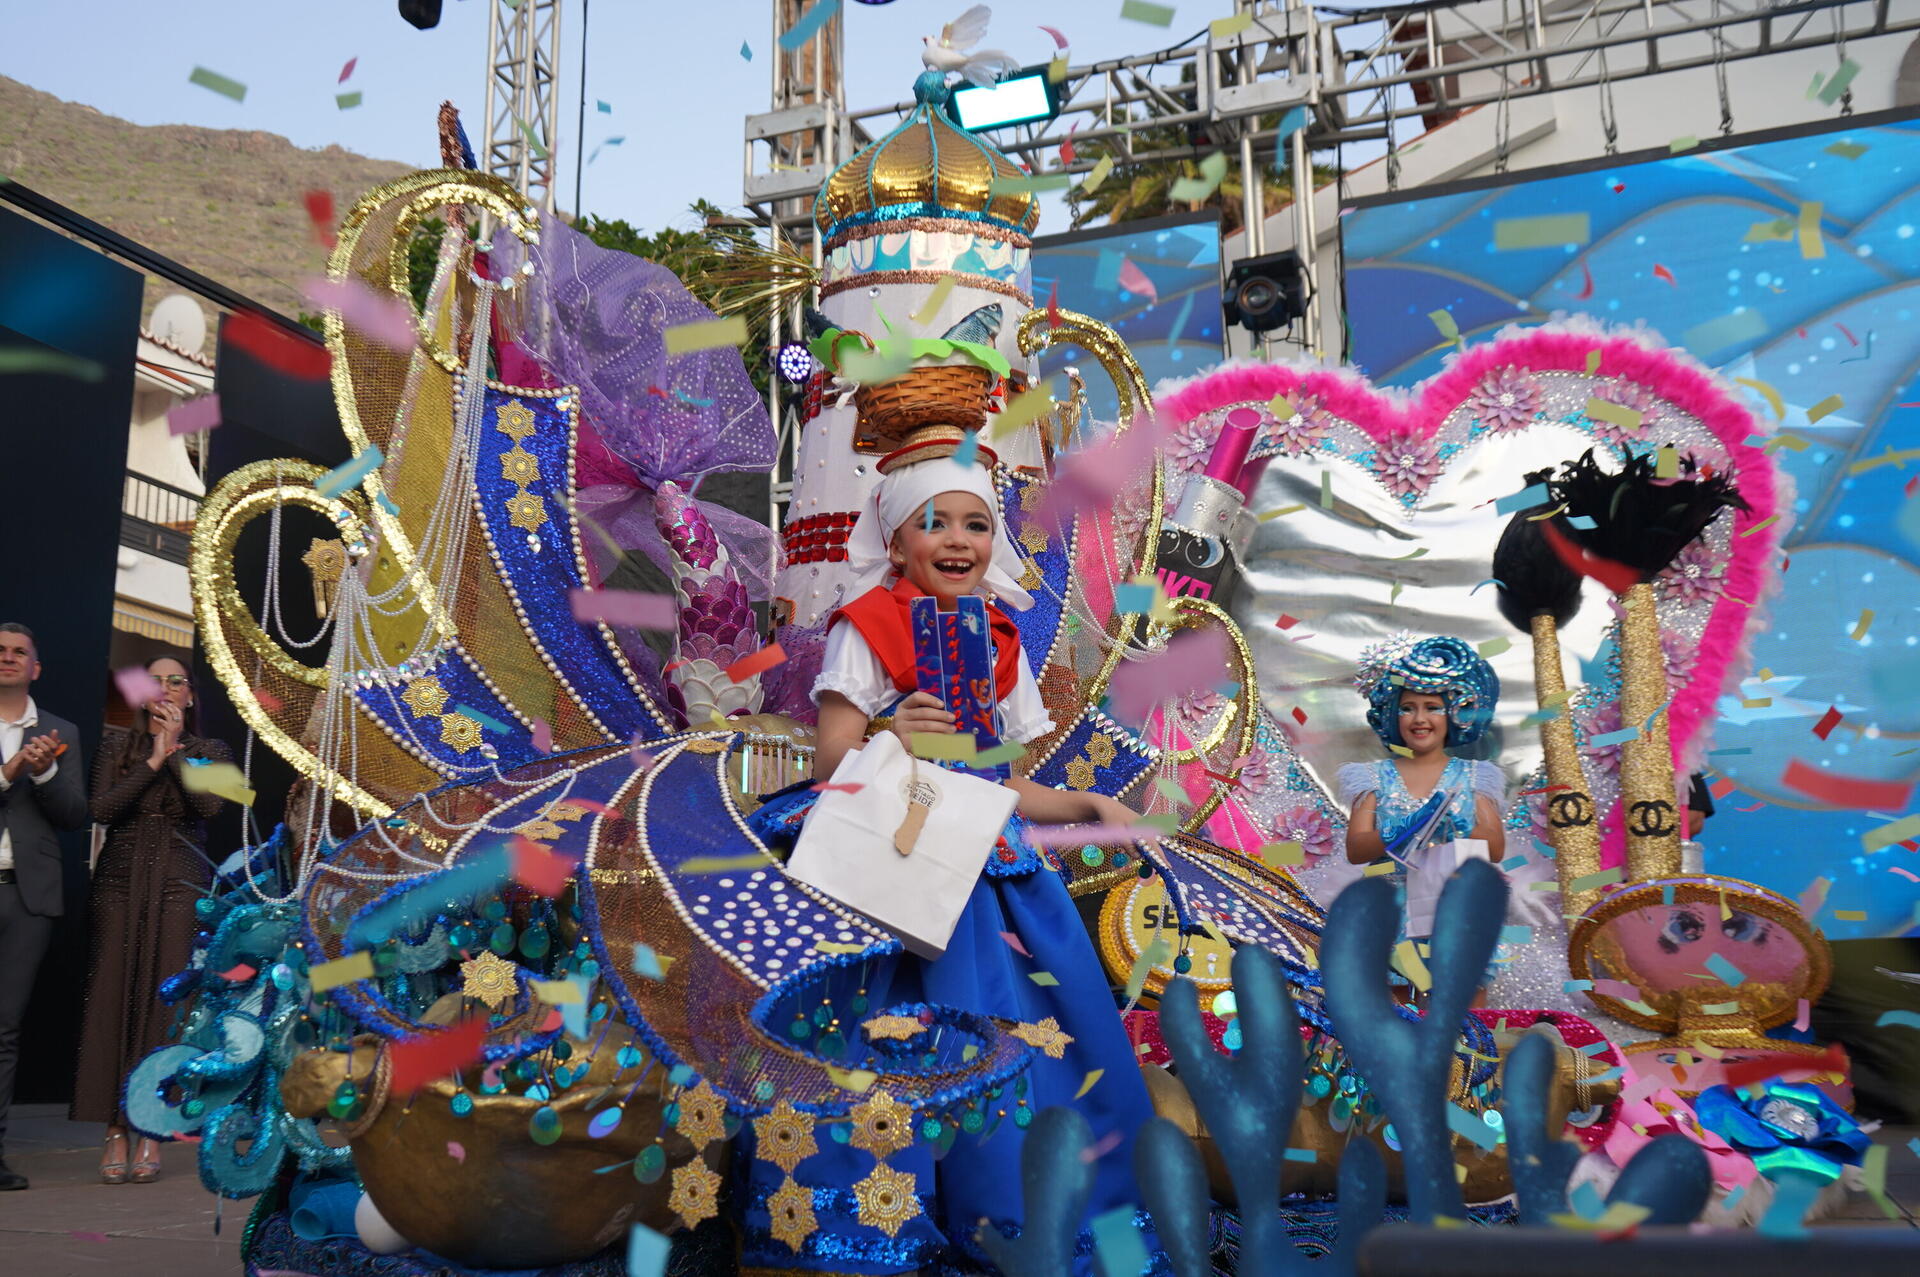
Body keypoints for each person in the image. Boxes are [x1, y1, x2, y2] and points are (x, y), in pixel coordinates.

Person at [745, 432, 1151, 1268]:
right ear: (895, 540)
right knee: (877, 1041)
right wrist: (893, 733)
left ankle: (1013, 1208)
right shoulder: (865, 628)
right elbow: (830, 759)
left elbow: (1009, 783)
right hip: (885, 873)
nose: (959, 541)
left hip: (983, 870)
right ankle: (862, 1212)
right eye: (936, 523)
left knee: (1013, 1029)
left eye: (976, 524)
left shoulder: (1002, 641)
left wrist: (1083, 801)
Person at [71, 654, 233, 1184]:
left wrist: (180, 752)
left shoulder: (214, 751)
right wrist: (154, 759)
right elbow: (101, 810)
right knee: (111, 997)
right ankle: (114, 1129)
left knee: (167, 1003)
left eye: (176, 682)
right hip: (119, 880)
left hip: (179, 881)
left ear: (190, 697)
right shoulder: (119, 745)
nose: (164, 690)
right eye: (155, 682)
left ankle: (151, 1127)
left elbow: (209, 809)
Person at [1340, 635, 1506, 1003]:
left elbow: (1494, 848)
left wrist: (1458, 830)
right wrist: (1404, 827)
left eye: (1432, 707)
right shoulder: (1373, 778)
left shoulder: (1474, 776)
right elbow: (1356, 848)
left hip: (1454, 910)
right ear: (1391, 714)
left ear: (1454, 713)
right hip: (1391, 913)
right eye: (1407, 708)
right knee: (1394, 1018)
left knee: (1464, 1023)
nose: (1419, 719)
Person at [0, 622, 88, 1192]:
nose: (7, 658)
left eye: (18, 653)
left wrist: (47, 770)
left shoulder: (61, 731)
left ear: (36, 668)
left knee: (4, 1030)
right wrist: (9, 772)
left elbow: (75, 814)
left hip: (25, 897)